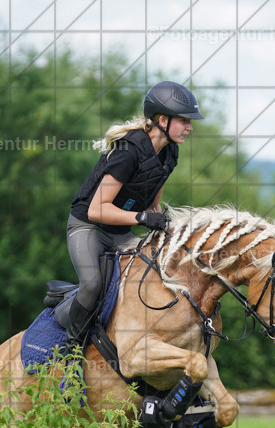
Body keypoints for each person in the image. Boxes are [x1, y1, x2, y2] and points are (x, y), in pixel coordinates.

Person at [63, 80, 204, 348]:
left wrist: (165, 227)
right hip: (88, 228)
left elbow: (152, 204)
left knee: (152, 277)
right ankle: (69, 354)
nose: (190, 127)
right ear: (163, 119)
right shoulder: (128, 151)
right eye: (185, 120)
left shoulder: (170, 152)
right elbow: (97, 209)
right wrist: (141, 219)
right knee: (93, 285)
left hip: (120, 232)